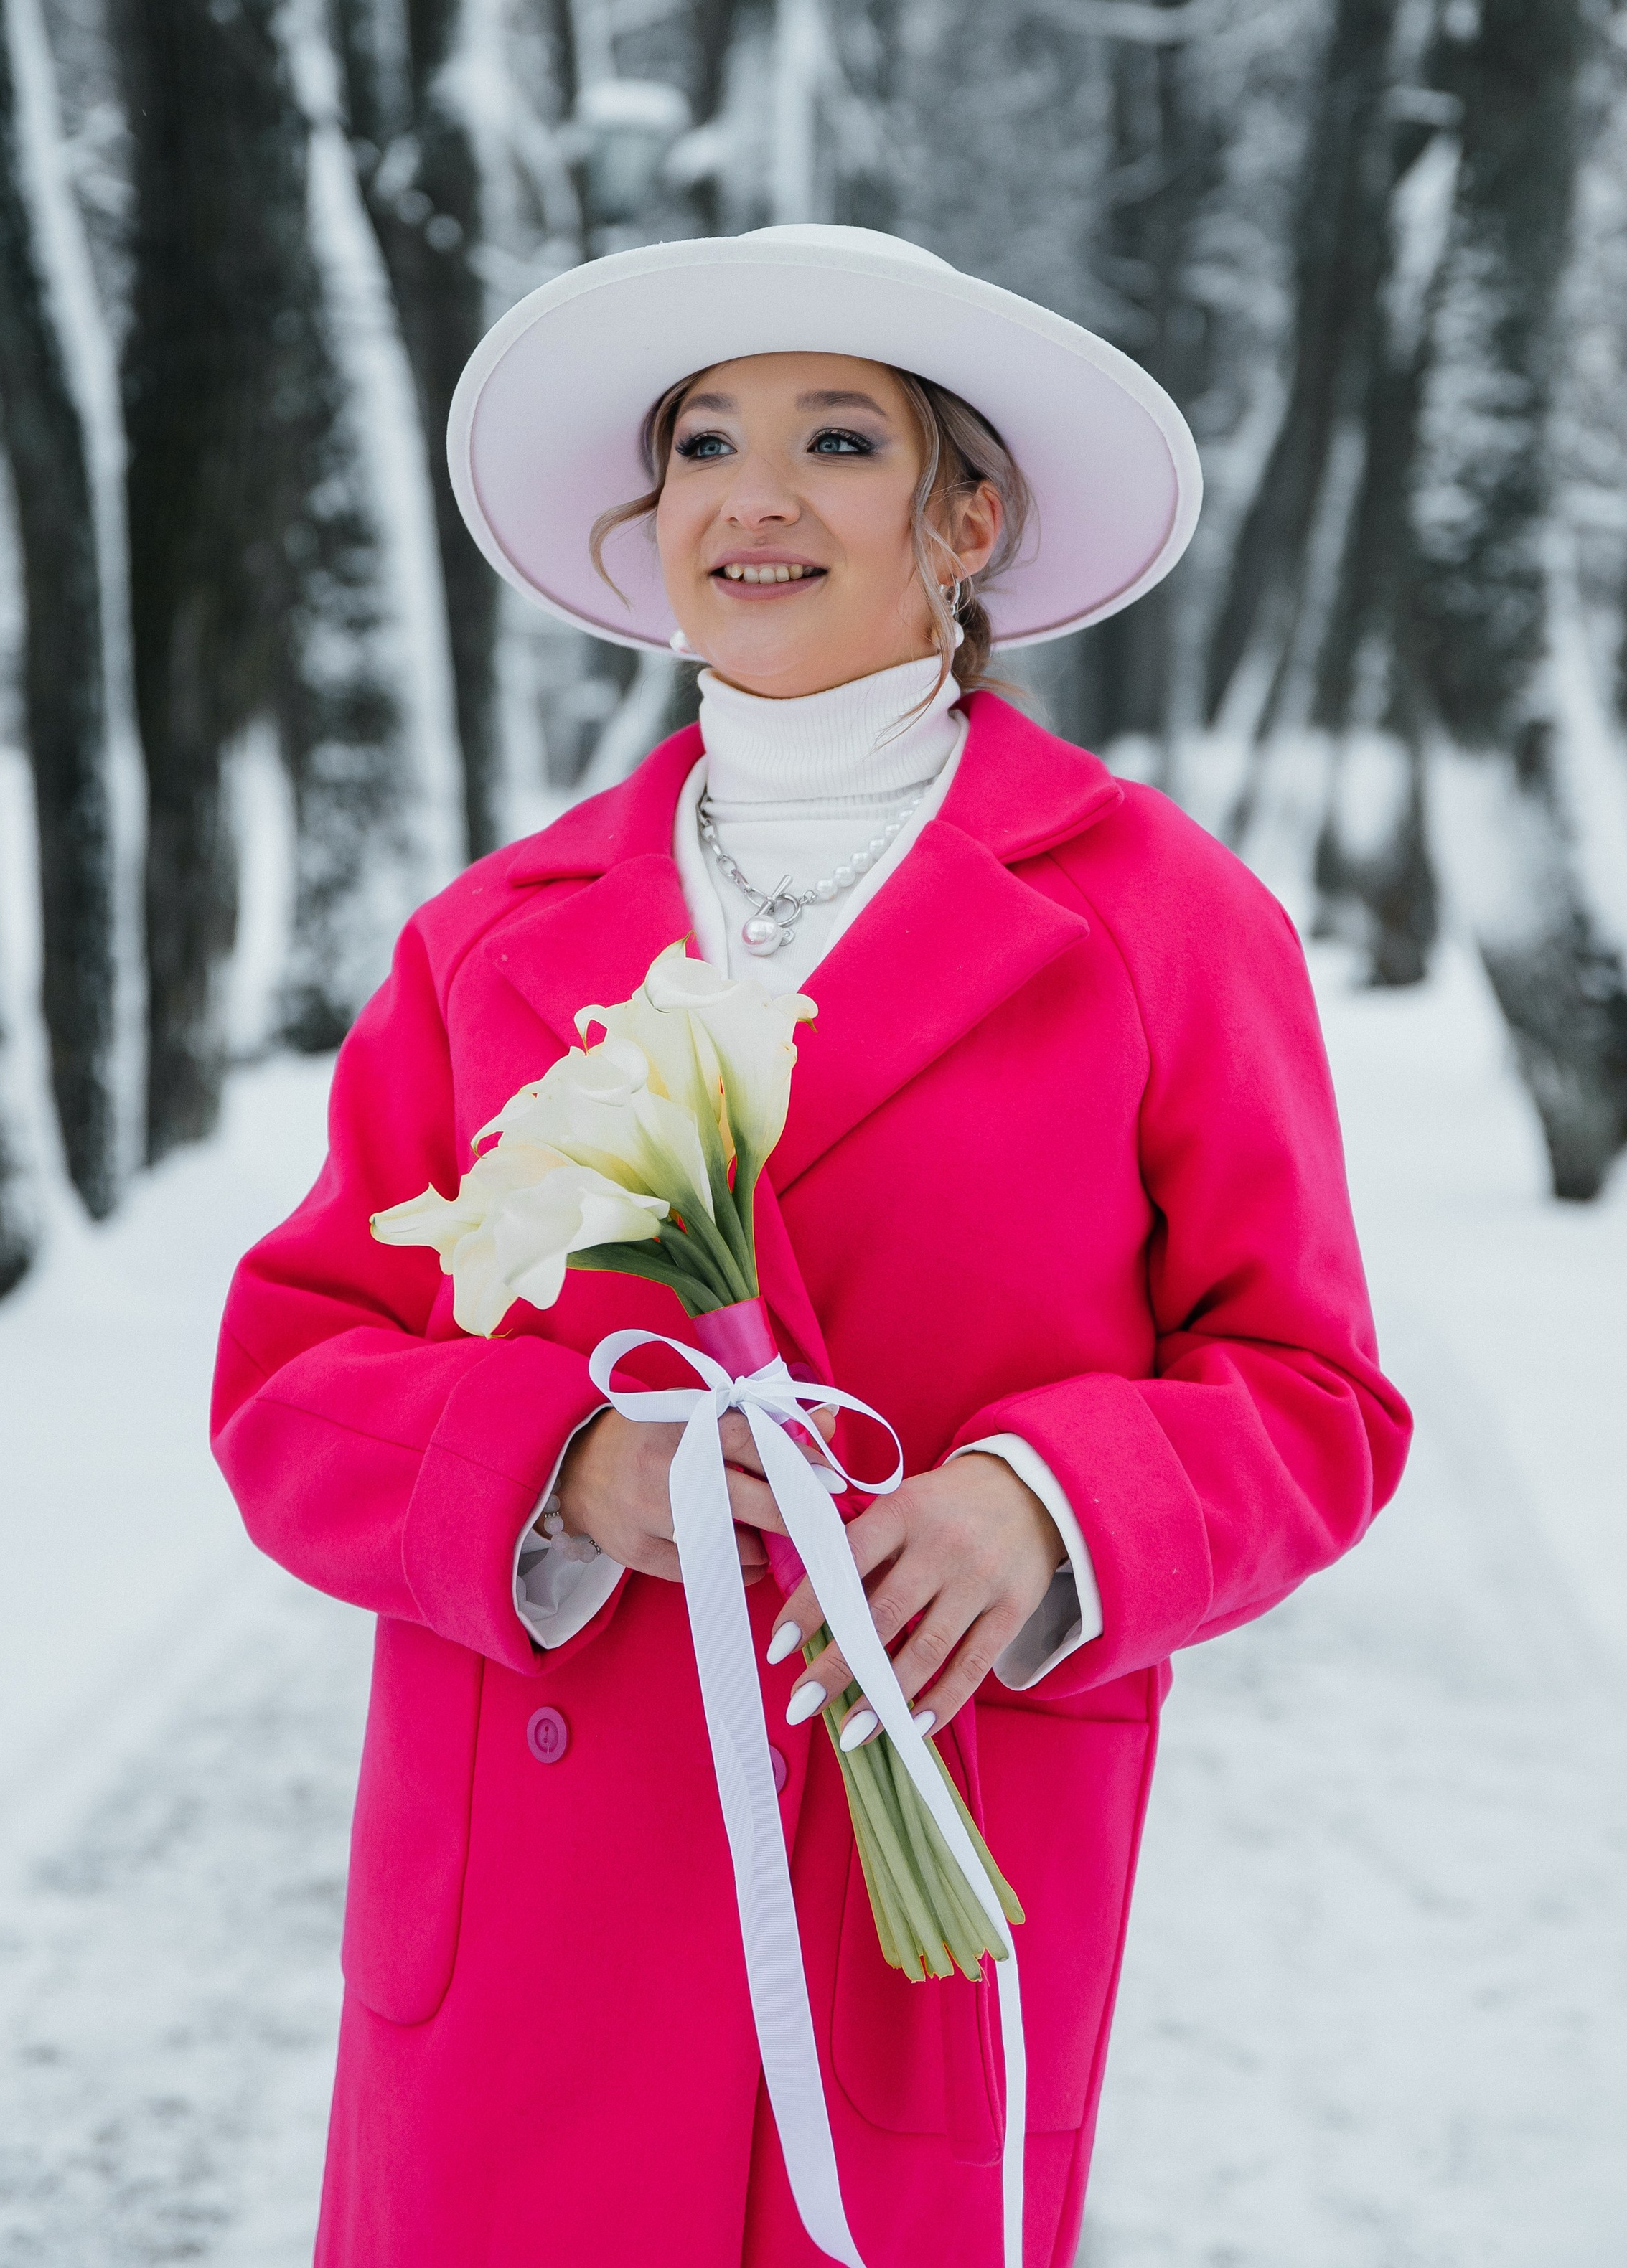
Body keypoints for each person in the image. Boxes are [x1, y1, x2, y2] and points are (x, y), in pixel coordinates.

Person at [212, 225, 1410, 2268]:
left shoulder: (1156, 920)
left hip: (915, 1878)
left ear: (967, 517)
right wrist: (559, 1467)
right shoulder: (493, 939)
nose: (750, 501)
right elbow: (291, 1381)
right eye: (700, 446)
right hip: (529, 1923)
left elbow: (1312, 1397)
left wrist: (1050, 1510)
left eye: (836, 442)